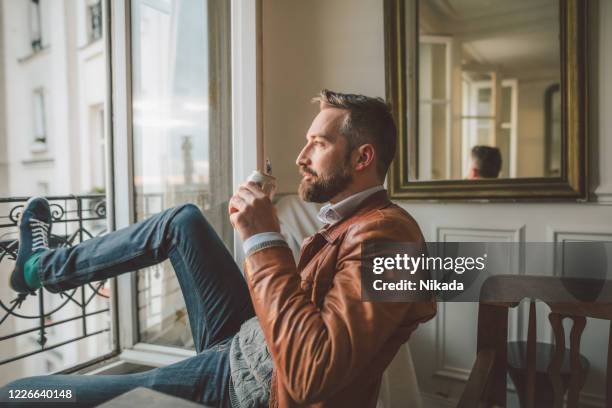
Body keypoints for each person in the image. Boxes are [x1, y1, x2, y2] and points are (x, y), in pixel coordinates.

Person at [2, 90, 436, 408]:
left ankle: (41, 271)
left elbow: (311, 374)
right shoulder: (353, 221)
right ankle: (41, 267)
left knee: (25, 393)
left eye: (319, 144)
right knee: (182, 221)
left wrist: (263, 240)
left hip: (252, 384)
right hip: (250, 340)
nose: (301, 157)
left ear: (362, 158)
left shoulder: (390, 237)